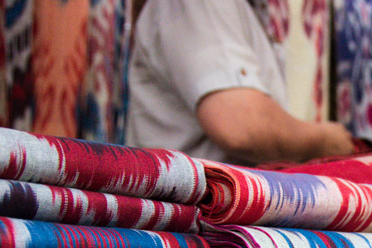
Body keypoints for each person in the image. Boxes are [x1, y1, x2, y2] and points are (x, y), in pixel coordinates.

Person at [126, 0, 355, 165]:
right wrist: (325, 140)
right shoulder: (201, 5)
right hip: (193, 213)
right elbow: (241, 125)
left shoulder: (244, 11)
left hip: (206, 209)